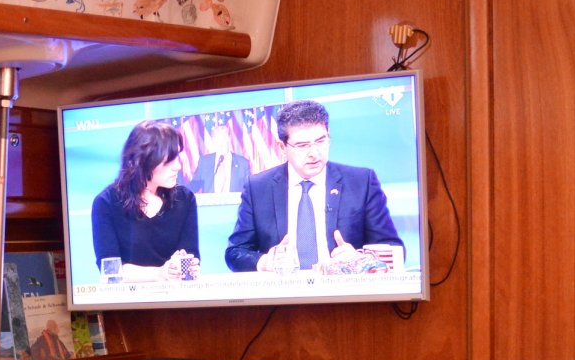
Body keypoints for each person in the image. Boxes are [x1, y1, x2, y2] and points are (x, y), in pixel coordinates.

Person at [224, 100, 403, 273]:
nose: (314, 153)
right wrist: (265, 262)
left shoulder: (362, 182)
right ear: (282, 147)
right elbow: (235, 253)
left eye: (320, 141)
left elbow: (394, 248)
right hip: (284, 291)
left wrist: (361, 260)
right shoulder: (258, 188)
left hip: (344, 291)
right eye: (302, 145)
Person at [91, 120, 201, 282]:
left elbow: (190, 260)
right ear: (145, 161)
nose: (178, 166)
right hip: (127, 297)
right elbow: (110, 272)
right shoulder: (106, 203)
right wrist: (160, 274)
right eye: (170, 160)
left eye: (177, 157)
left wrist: (186, 268)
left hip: (175, 296)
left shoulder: (185, 200)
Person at [185, 114, 250, 194]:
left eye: (224, 139)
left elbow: (248, 189)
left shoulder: (242, 163)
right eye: (218, 140)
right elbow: (194, 186)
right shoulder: (204, 162)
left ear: (229, 140)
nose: (221, 144)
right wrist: (179, 191)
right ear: (213, 142)